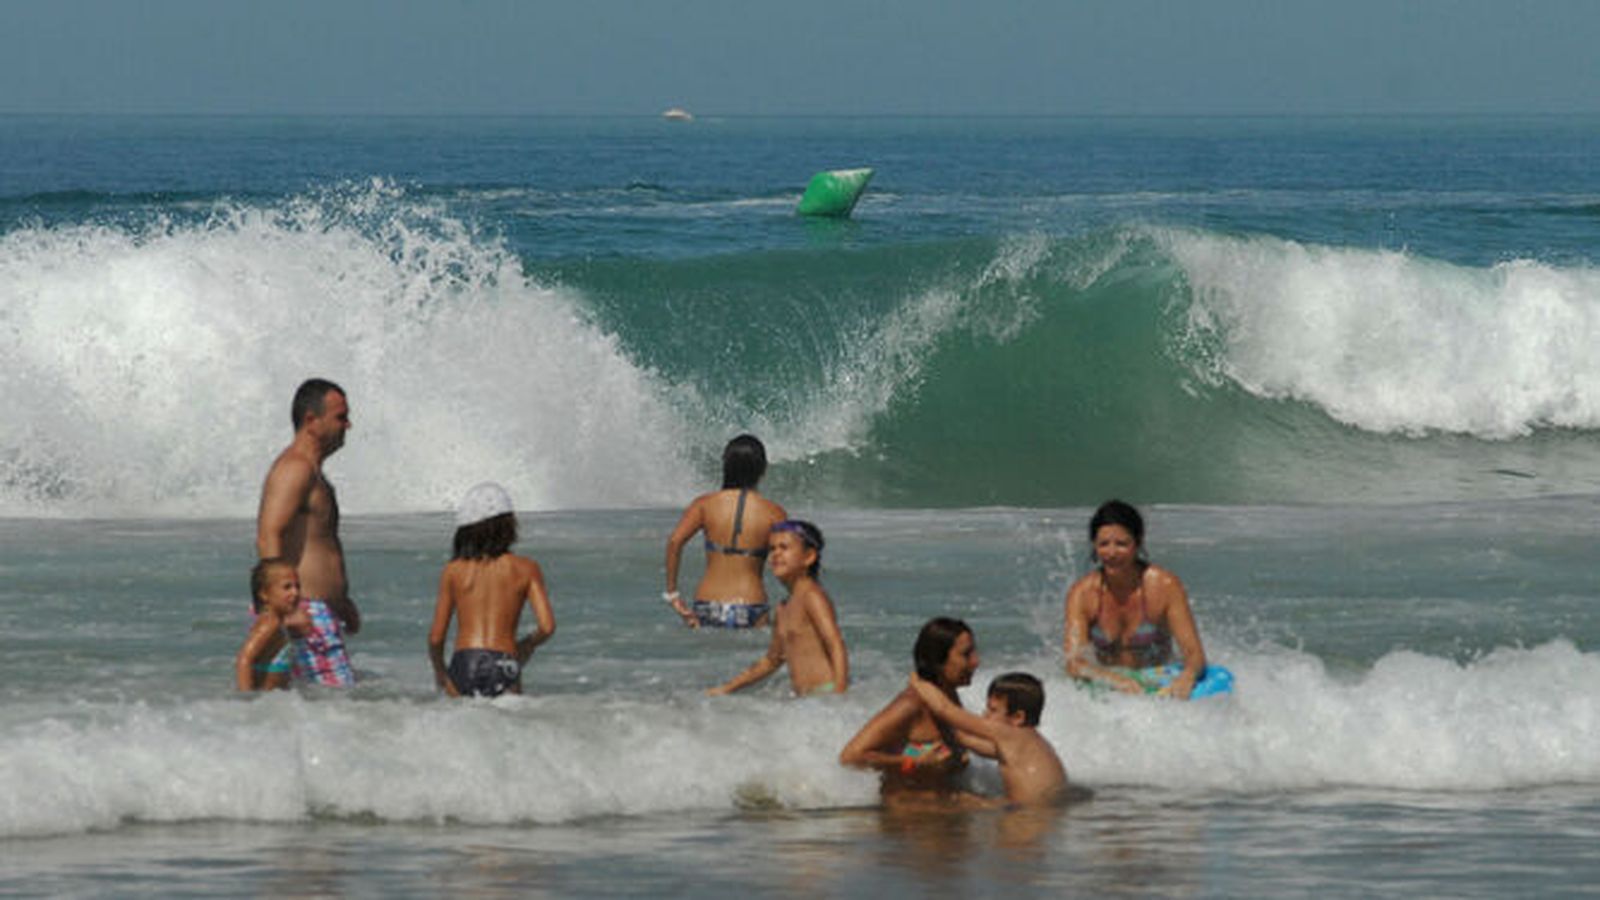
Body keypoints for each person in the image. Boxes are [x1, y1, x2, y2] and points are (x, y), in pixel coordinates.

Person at [256, 378, 358, 687]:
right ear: (312, 420)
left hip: (316, 611)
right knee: (340, 704)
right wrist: (287, 610)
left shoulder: (312, 472)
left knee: (319, 707)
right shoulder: (295, 468)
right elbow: (268, 535)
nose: (348, 425)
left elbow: (319, 544)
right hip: (304, 613)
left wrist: (340, 600)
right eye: (340, 417)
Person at [1063, 499, 1207, 699]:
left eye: (1121, 544)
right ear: (1094, 546)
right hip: (1111, 688)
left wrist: (1188, 676)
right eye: (1103, 544)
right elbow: (1074, 663)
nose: (1112, 553)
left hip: (1156, 686)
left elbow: (1195, 655)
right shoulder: (1082, 594)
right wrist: (1114, 680)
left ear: (1138, 543)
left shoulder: (1164, 586)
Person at [428, 482, 556, 698]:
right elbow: (547, 627)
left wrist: (440, 671)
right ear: (509, 525)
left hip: (464, 662)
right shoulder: (527, 568)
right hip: (504, 662)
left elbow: (436, 637)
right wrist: (526, 645)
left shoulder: (453, 571)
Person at [839, 617, 980, 800]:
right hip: (907, 813)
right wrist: (913, 763)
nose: (976, 661)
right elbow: (851, 757)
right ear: (938, 660)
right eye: (966, 654)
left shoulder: (948, 696)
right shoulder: (911, 705)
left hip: (943, 807)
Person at [706, 520, 849, 697]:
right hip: (807, 701)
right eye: (772, 549)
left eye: (784, 547)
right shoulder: (783, 608)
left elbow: (835, 644)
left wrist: (839, 694)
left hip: (826, 693)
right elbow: (771, 661)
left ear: (809, 557)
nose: (776, 554)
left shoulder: (812, 596)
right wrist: (726, 688)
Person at [663, 434, 787, 628]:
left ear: (726, 466)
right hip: (752, 604)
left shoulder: (704, 504)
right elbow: (791, 560)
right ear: (762, 468)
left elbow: (674, 542)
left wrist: (673, 594)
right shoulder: (774, 512)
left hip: (708, 603)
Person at [907, 671, 1070, 808]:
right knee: (965, 800)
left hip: (1028, 817)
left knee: (953, 801)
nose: (985, 715)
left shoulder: (1010, 734)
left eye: (992, 710)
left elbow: (945, 710)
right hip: (1042, 811)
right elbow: (963, 738)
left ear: (1017, 717)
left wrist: (919, 684)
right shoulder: (1029, 742)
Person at [235, 557, 310, 691]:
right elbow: (244, 659)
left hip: (276, 699)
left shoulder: (278, 622)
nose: (295, 592)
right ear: (264, 594)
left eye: (297, 586)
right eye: (287, 587)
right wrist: (246, 699)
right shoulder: (270, 623)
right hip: (265, 699)